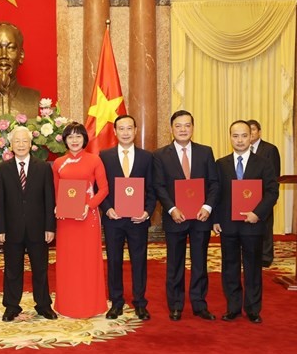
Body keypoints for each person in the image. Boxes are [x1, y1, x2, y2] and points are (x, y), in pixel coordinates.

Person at [153, 110, 219, 322]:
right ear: (171, 129)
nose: (183, 129)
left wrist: (208, 207)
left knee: (200, 261)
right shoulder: (160, 155)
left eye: (187, 125)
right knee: (175, 262)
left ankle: (199, 304)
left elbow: (214, 183)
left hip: (201, 217)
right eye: (178, 126)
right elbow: (159, 186)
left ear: (193, 127)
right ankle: (176, 305)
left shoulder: (205, 152)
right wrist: (172, 209)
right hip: (175, 218)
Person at [213, 120, 279, 323]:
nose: (239, 140)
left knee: (252, 268)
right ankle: (232, 307)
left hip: (253, 224)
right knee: (230, 267)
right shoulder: (221, 164)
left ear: (251, 137)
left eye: (244, 135)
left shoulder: (263, 163)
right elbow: (215, 193)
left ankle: (252, 309)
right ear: (230, 137)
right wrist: (215, 219)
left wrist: (257, 213)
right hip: (228, 225)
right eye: (235, 135)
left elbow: (272, 192)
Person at [0, 126, 57, 321]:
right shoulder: (2, 169)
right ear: (11, 145)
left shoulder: (44, 167)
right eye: (17, 141)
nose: (21, 145)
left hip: (38, 228)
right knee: (12, 269)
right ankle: (11, 306)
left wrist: (49, 227)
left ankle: (44, 305)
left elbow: (49, 199)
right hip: (12, 229)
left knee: (40, 268)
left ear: (31, 144)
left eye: (25, 141)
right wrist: (0, 229)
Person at [100, 115, 156, 321]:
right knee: (114, 261)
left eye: (129, 128)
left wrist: (147, 212)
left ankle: (140, 303)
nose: (125, 132)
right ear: (115, 132)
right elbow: (100, 187)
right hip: (113, 219)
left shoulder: (147, 157)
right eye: (121, 129)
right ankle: (116, 302)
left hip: (137, 220)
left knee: (139, 261)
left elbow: (152, 188)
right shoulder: (104, 156)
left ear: (135, 130)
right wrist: (107, 209)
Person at [52, 122, 108, 318]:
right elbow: (56, 191)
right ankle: (67, 305)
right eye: (70, 137)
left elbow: (103, 189)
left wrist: (89, 205)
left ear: (84, 139)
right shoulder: (59, 163)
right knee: (68, 262)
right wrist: (57, 206)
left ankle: (91, 305)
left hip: (87, 218)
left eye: (78, 136)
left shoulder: (94, 160)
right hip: (66, 220)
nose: (74, 140)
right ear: (65, 140)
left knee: (87, 261)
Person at [247, 119, 281, 268]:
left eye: (254, 129)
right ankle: (250, 255)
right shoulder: (243, 148)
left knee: (266, 226)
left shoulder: (270, 149)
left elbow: (274, 174)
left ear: (259, 132)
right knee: (248, 227)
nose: (252, 132)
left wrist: (270, 195)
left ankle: (266, 257)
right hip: (247, 195)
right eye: (249, 130)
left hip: (264, 195)